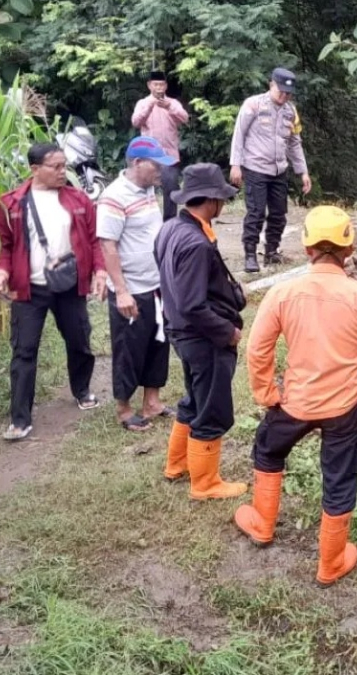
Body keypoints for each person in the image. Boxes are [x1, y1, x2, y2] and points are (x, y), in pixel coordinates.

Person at [237, 205, 357, 586]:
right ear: (349, 251)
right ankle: (330, 563)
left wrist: (266, 392)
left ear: (308, 249)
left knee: (268, 450)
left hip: (294, 402)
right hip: (345, 408)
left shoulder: (283, 293)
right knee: (340, 477)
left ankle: (262, 524)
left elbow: (257, 349)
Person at [0, 143, 108, 441]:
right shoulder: (10, 204)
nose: (62, 171)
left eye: (64, 165)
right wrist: (1, 271)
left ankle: (82, 390)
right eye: (55, 166)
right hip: (28, 289)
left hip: (69, 286)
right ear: (34, 169)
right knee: (24, 351)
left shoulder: (78, 199)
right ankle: (20, 419)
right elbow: (1, 247)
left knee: (79, 340)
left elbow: (95, 241)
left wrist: (101, 272)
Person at [155, 163, 247, 500]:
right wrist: (227, 332)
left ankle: (177, 464)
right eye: (221, 197)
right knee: (212, 406)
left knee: (194, 399)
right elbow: (194, 304)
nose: (224, 204)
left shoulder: (169, 230)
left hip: (179, 332)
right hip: (203, 338)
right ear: (211, 199)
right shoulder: (196, 244)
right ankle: (205, 483)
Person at [97, 136, 177, 432]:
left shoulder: (148, 189)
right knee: (129, 348)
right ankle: (123, 408)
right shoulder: (114, 197)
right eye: (156, 166)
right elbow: (108, 246)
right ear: (136, 163)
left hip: (156, 284)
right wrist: (122, 291)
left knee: (158, 341)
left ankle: (152, 402)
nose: (161, 172)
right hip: (132, 287)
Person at [229, 67, 312, 273]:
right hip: (256, 167)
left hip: (279, 170)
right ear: (271, 85)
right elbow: (239, 134)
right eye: (281, 91)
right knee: (256, 213)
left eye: (288, 93)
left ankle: (272, 252)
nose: (284, 96)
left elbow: (294, 143)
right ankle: (250, 255)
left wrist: (303, 171)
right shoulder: (253, 105)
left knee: (278, 214)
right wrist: (235, 165)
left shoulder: (291, 111)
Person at [131, 70, 189, 221]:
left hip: (169, 156)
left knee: (171, 191)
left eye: (161, 84)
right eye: (155, 84)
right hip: (149, 156)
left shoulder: (173, 103)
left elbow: (184, 118)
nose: (159, 88)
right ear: (149, 85)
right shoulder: (143, 103)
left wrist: (169, 106)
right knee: (146, 190)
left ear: (166, 86)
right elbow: (136, 122)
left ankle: (169, 223)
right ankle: (146, 220)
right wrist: (150, 106)